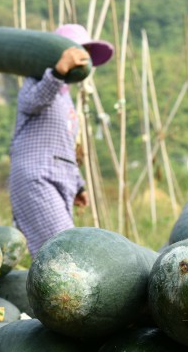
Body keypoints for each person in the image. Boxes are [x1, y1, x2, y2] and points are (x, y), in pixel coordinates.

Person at [8, 24, 114, 257]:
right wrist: (57, 72)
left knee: (59, 254)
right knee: (64, 252)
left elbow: (64, 147)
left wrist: (79, 185)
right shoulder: (38, 81)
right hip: (36, 176)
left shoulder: (66, 99)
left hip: (60, 179)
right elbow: (31, 103)